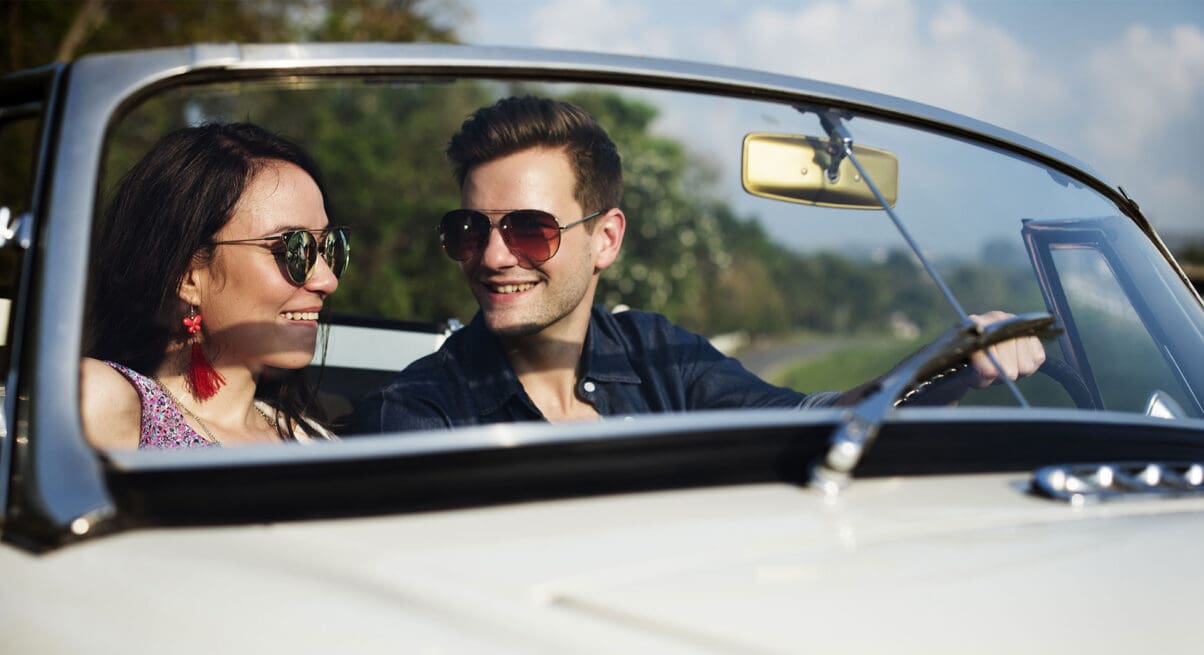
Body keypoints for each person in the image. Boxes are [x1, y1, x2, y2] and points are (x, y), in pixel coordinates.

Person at [355, 96, 1043, 432]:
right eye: (471, 229)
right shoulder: (418, 413)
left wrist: (943, 362)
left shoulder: (657, 353)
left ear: (606, 239)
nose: (494, 256)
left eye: (530, 230)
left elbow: (811, 417)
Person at [81, 122, 350, 449]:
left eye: (330, 248)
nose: (327, 280)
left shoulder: (313, 441)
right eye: (293, 249)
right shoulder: (112, 404)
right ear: (188, 276)